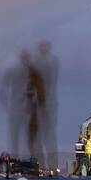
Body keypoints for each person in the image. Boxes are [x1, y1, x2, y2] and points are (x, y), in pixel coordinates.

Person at [32, 41, 59, 172]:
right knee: (39, 137)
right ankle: (40, 166)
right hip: (40, 103)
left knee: (48, 137)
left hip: (47, 102)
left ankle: (51, 167)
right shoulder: (42, 61)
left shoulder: (49, 62)